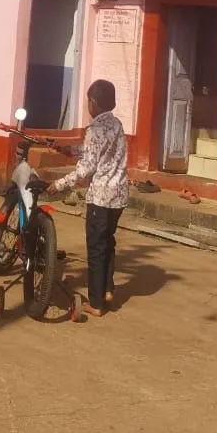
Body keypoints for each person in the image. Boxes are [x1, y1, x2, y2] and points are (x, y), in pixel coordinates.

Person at [49, 80, 128, 317]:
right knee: (108, 243)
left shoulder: (94, 129)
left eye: (88, 101)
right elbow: (98, 152)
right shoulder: (116, 124)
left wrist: (59, 184)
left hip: (101, 198)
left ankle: (96, 303)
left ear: (92, 102)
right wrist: (70, 150)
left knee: (95, 248)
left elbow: (87, 167)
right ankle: (108, 290)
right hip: (119, 195)